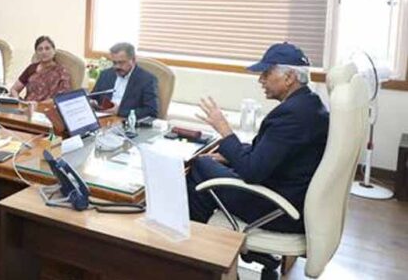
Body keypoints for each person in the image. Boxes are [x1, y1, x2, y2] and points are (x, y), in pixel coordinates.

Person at [187, 42, 329, 233]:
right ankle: (209, 239)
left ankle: (196, 241)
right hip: (286, 193)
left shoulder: (291, 116)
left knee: (200, 165)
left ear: (289, 77)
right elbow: (271, 152)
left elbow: (252, 171)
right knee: (214, 161)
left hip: (277, 208)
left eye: (266, 73)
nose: (260, 80)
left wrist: (224, 128)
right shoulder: (309, 104)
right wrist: (229, 156)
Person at [90, 42, 159, 119]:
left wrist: (119, 111)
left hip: (126, 121)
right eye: (114, 63)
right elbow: (93, 97)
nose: (117, 67)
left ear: (133, 60)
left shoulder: (147, 80)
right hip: (103, 119)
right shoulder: (105, 74)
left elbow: (151, 111)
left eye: (121, 62)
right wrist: (92, 102)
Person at [10, 36, 71, 102]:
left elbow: (63, 96)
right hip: (28, 105)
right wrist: (18, 102)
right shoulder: (32, 68)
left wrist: (40, 105)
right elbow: (14, 89)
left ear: (54, 51)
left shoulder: (61, 71)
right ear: (36, 53)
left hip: (49, 106)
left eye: (47, 48)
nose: (44, 52)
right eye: (40, 49)